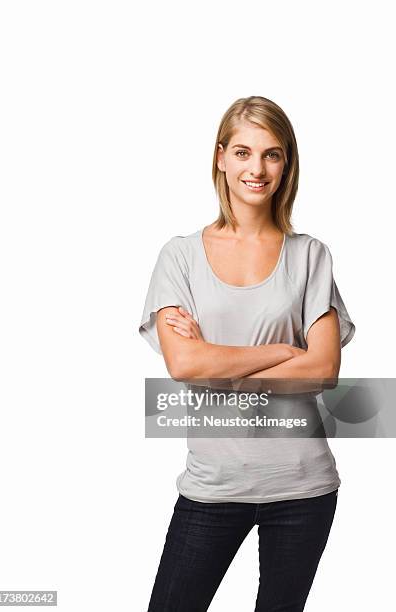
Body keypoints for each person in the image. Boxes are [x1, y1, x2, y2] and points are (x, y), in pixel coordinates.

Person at [138, 95, 355, 611]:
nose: (256, 168)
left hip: (303, 489)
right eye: (242, 152)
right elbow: (184, 364)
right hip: (212, 487)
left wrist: (223, 368)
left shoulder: (310, 255)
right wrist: (283, 350)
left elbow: (323, 369)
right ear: (220, 157)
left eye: (272, 154)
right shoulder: (181, 256)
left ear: (286, 164)